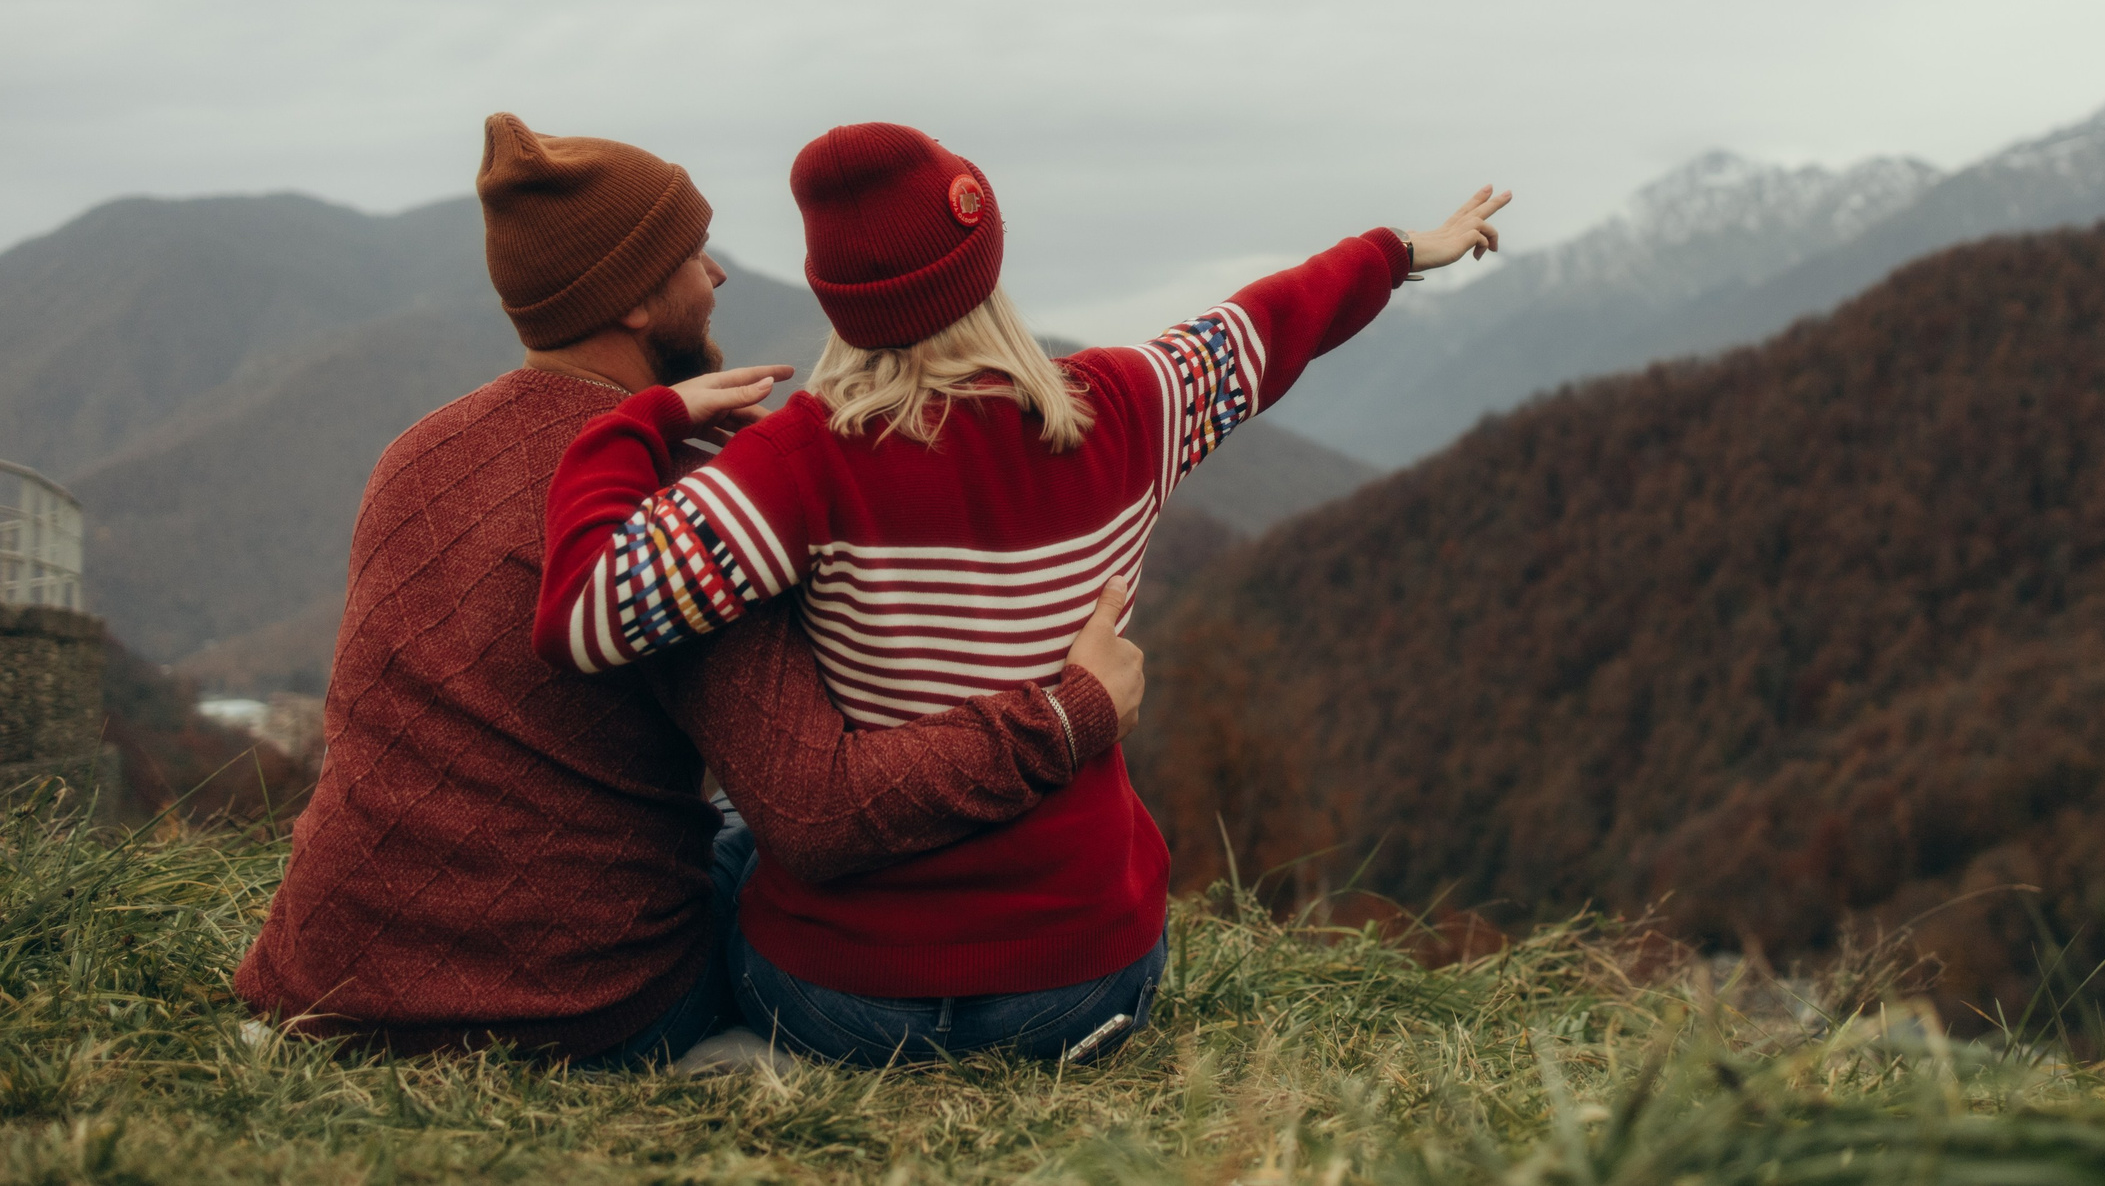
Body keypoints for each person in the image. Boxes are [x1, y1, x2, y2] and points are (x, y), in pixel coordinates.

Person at [534, 121, 1506, 1065]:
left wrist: (635, 423)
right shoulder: (1134, 407)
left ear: (837, 297)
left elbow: (586, 616)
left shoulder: (795, 464)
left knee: (741, 843)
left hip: (844, 1002)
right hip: (1083, 987)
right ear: (982, 259)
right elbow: (1270, 322)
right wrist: (1402, 249)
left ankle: (768, 1054)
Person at [234, 115, 1143, 1064]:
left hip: (328, 979)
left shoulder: (414, 453)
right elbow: (819, 812)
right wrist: (1071, 710)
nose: (716, 277)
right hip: (578, 1009)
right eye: (692, 255)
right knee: (766, 845)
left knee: (726, 823)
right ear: (632, 302)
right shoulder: (688, 493)